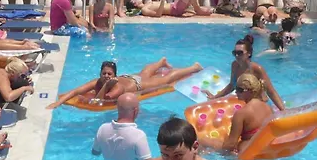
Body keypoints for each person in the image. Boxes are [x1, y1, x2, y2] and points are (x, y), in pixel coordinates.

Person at [47, 58, 202, 109]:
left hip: (138, 84)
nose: (106, 76)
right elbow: (75, 91)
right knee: (144, 72)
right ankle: (161, 62)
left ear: (114, 75)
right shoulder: (97, 81)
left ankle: (193, 67)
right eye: (104, 73)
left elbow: (100, 101)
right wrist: (57, 103)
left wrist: (107, 86)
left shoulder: (118, 87)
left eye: (109, 74)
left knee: (165, 80)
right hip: (129, 77)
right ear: (100, 74)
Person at [205, 35, 285, 111]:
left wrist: (283, 110)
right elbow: (232, 85)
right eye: (234, 53)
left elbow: (271, 91)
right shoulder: (234, 65)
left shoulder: (256, 69)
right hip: (246, 103)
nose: (236, 55)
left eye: (240, 53)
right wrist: (215, 97)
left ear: (249, 53)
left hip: (259, 104)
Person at [201, 74, 274, 154]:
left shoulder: (241, 113)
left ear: (250, 91)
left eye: (239, 89)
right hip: (264, 146)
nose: (236, 92)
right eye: (236, 88)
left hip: (246, 151)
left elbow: (230, 145)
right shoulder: (268, 108)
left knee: (202, 141)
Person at [91, 93, 162, 160]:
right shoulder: (138, 135)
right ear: (136, 111)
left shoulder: (102, 129)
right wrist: (166, 156)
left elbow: (95, 152)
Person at [127, 0, 211, 17]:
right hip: (174, 9)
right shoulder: (144, 9)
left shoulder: (147, 3)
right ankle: (198, 9)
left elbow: (160, 6)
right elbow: (158, 14)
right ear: (134, 4)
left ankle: (198, 9)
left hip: (174, 5)